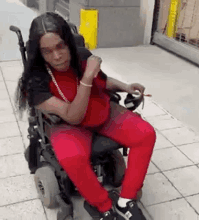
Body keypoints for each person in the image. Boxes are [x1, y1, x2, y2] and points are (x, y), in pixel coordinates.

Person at [15, 12, 156, 220]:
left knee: (145, 134)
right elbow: (73, 116)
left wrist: (126, 86)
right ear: (39, 52)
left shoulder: (80, 56)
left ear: (68, 42)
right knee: (71, 156)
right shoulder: (35, 82)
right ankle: (102, 205)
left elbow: (103, 82)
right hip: (68, 125)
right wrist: (87, 76)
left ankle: (125, 200)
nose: (57, 56)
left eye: (61, 46)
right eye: (47, 51)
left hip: (102, 112)